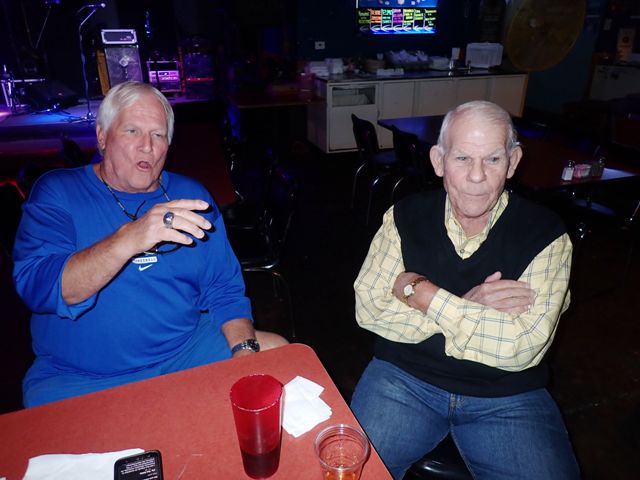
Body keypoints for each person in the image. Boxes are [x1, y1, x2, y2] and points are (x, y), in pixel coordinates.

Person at [13, 81, 287, 407]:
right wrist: (130, 238)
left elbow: (224, 288)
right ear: (102, 136)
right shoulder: (58, 192)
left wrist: (244, 351)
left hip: (185, 352)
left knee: (278, 355)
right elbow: (41, 287)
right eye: (132, 131)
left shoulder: (192, 196)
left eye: (158, 135)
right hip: (81, 375)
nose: (147, 147)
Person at [351, 101, 580, 479]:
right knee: (349, 471)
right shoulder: (404, 216)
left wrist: (424, 295)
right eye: (462, 158)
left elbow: (521, 346)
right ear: (438, 161)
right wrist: (468, 307)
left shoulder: (547, 235)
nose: (477, 176)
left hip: (508, 396)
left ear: (513, 162)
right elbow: (370, 308)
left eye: (493, 159)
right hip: (403, 379)